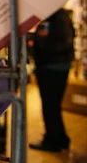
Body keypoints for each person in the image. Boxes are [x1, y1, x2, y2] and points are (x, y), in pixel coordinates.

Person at [29, 9, 74, 152]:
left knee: (50, 106)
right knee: (53, 106)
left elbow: (56, 43)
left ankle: (52, 141)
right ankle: (60, 138)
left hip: (52, 67)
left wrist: (37, 41)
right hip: (55, 66)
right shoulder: (59, 16)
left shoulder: (56, 17)